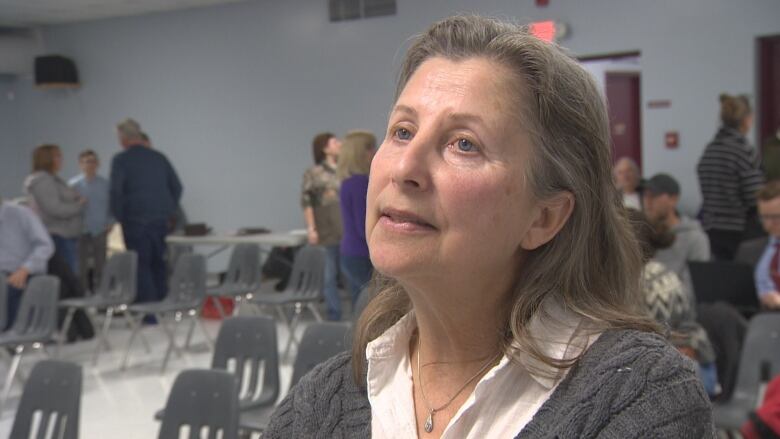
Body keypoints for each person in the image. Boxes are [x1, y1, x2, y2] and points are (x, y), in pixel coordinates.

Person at [266, 15, 712, 438]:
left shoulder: (639, 395)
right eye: (402, 131)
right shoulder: (322, 401)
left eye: (464, 144)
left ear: (544, 218)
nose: (404, 168)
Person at [627, 209, 718, 396]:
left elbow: (652, 351)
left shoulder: (646, 282)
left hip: (688, 371)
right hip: (688, 365)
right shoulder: (647, 275)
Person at [110, 118, 182, 307]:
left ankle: (148, 313)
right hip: (160, 221)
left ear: (123, 138)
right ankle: (164, 305)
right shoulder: (159, 157)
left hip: (135, 221)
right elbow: (177, 187)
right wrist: (168, 210)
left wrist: (120, 217)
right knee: (159, 263)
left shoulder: (121, 160)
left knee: (141, 266)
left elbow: (116, 192)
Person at [697, 94, 764, 261]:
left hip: (712, 227)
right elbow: (755, 196)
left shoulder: (710, 149)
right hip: (740, 230)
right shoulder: (744, 150)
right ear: (747, 120)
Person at [643, 173, 710, 295]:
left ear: (673, 199)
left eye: (654, 195)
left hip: (677, 307)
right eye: (645, 195)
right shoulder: (641, 233)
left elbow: (696, 287)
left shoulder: (695, 238)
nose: (647, 201)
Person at [24, 144, 85, 274]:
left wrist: (74, 197)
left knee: (69, 276)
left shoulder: (53, 179)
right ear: (47, 159)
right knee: (67, 278)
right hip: (58, 237)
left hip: (65, 235)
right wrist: (78, 206)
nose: (61, 159)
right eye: (57, 156)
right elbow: (54, 209)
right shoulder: (43, 180)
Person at [301, 132, 343, 320]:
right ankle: (335, 315)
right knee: (329, 276)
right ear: (325, 148)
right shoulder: (314, 173)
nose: (339, 144)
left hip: (348, 231)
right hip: (326, 231)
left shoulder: (347, 170)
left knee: (353, 276)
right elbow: (307, 202)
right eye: (335, 142)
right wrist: (312, 228)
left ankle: (359, 316)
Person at [0, 198, 55, 329]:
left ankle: (10, 339)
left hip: (24, 273)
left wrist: (25, 269)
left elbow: (45, 246)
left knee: (9, 289)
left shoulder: (20, 213)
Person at [337, 130, 376, 308]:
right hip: (361, 254)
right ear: (360, 153)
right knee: (371, 306)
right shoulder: (361, 183)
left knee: (359, 307)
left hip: (350, 253)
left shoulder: (347, 182)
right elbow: (364, 227)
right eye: (370, 148)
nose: (375, 151)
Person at [69, 149, 112, 291]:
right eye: (87, 162)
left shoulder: (105, 185)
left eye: (93, 161)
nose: (90, 165)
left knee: (101, 265)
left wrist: (110, 223)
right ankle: (82, 296)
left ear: (98, 164)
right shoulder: (73, 185)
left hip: (99, 229)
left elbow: (112, 205)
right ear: (80, 164)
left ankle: (101, 295)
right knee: (80, 266)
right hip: (80, 229)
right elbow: (67, 207)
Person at [753, 181, 780, 309]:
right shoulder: (749, 250)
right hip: (754, 318)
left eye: (775, 217)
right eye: (764, 217)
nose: (768, 224)